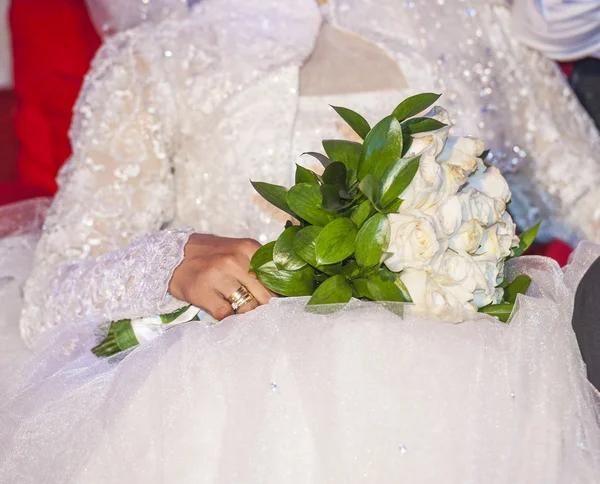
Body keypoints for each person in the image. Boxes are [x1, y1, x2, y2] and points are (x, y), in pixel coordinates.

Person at [0, 0, 599, 481]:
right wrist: (168, 261)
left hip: (487, 393)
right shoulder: (160, 57)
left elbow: (588, 195)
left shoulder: (479, 23)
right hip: (239, 408)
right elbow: (49, 298)